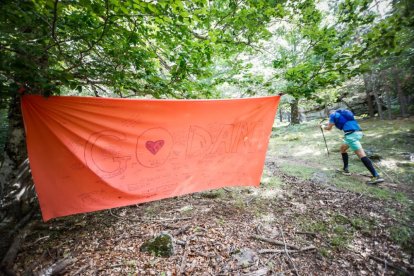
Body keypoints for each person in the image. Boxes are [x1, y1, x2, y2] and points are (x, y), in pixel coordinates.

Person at [321, 109, 384, 185]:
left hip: (351, 135)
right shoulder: (342, 114)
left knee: (361, 154)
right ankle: (345, 169)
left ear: (329, 113)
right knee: (342, 149)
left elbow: (329, 128)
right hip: (358, 132)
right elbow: (334, 123)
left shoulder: (332, 115)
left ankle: (376, 176)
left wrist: (322, 126)